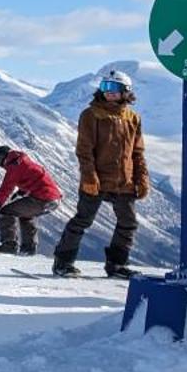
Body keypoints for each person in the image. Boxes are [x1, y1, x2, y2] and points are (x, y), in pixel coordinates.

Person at [50, 68, 149, 278]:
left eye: (114, 87)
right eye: (105, 87)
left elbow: (137, 152)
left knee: (128, 223)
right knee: (83, 220)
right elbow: (84, 150)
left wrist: (141, 179)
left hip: (125, 180)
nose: (109, 92)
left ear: (125, 91)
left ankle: (117, 265)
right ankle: (63, 262)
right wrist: (89, 177)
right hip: (97, 179)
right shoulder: (91, 114)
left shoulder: (133, 118)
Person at [0, 145, 61, 256]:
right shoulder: (22, 161)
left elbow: (6, 188)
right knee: (26, 215)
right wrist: (21, 191)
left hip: (42, 198)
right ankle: (28, 248)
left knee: (6, 212)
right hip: (53, 200)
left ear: (3, 156)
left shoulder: (14, 166)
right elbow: (34, 177)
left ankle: (9, 245)